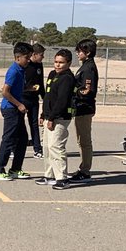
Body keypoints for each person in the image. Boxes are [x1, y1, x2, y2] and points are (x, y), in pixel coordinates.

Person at [35, 48, 76, 190]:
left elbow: (61, 101)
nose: (57, 65)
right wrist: (43, 115)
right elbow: (48, 98)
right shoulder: (52, 74)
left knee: (56, 147)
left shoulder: (67, 78)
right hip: (48, 116)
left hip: (59, 118)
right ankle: (49, 175)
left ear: (69, 63)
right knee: (46, 147)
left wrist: (52, 117)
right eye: (56, 62)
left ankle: (62, 178)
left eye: (61, 63)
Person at [0, 41, 32, 180]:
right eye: (27, 57)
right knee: (8, 139)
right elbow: (5, 92)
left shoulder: (21, 70)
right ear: (18, 57)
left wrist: (29, 89)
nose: (29, 60)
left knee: (22, 139)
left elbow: (15, 89)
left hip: (16, 109)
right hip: (10, 109)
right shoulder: (13, 71)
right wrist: (19, 104)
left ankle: (15, 169)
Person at [69, 38, 98, 181]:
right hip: (80, 107)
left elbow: (87, 90)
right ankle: (84, 167)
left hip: (84, 107)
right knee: (81, 140)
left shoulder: (88, 68)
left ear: (88, 52)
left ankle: (85, 170)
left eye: (80, 51)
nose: (77, 53)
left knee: (84, 141)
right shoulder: (85, 66)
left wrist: (73, 91)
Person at [23, 42, 45, 157]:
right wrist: (28, 88)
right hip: (22, 99)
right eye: (41, 55)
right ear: (34, 54)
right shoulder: (26, 64)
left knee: (34, 124)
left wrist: (44, 97)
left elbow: (40, 82)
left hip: (34, 100)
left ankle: (37, 149)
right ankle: (13, 148)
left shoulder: (39, 66)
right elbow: (20, 83)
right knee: (19, 125)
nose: (43, 57)